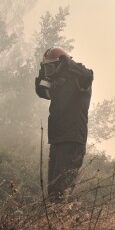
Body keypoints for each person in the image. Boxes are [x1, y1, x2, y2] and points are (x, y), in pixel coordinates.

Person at [34, 46, 94, 203]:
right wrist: (42, 73)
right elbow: (42, 91)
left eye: (52, 66)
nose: (49, 71)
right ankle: (55, 223)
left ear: (62, 63)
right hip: (57, 140)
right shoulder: (58, 84)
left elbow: (88, 75)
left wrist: (69, 64)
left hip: (72, 141)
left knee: (60, 190)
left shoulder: (79, 80)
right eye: (46, 67)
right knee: (53, 189)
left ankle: (62, 223)